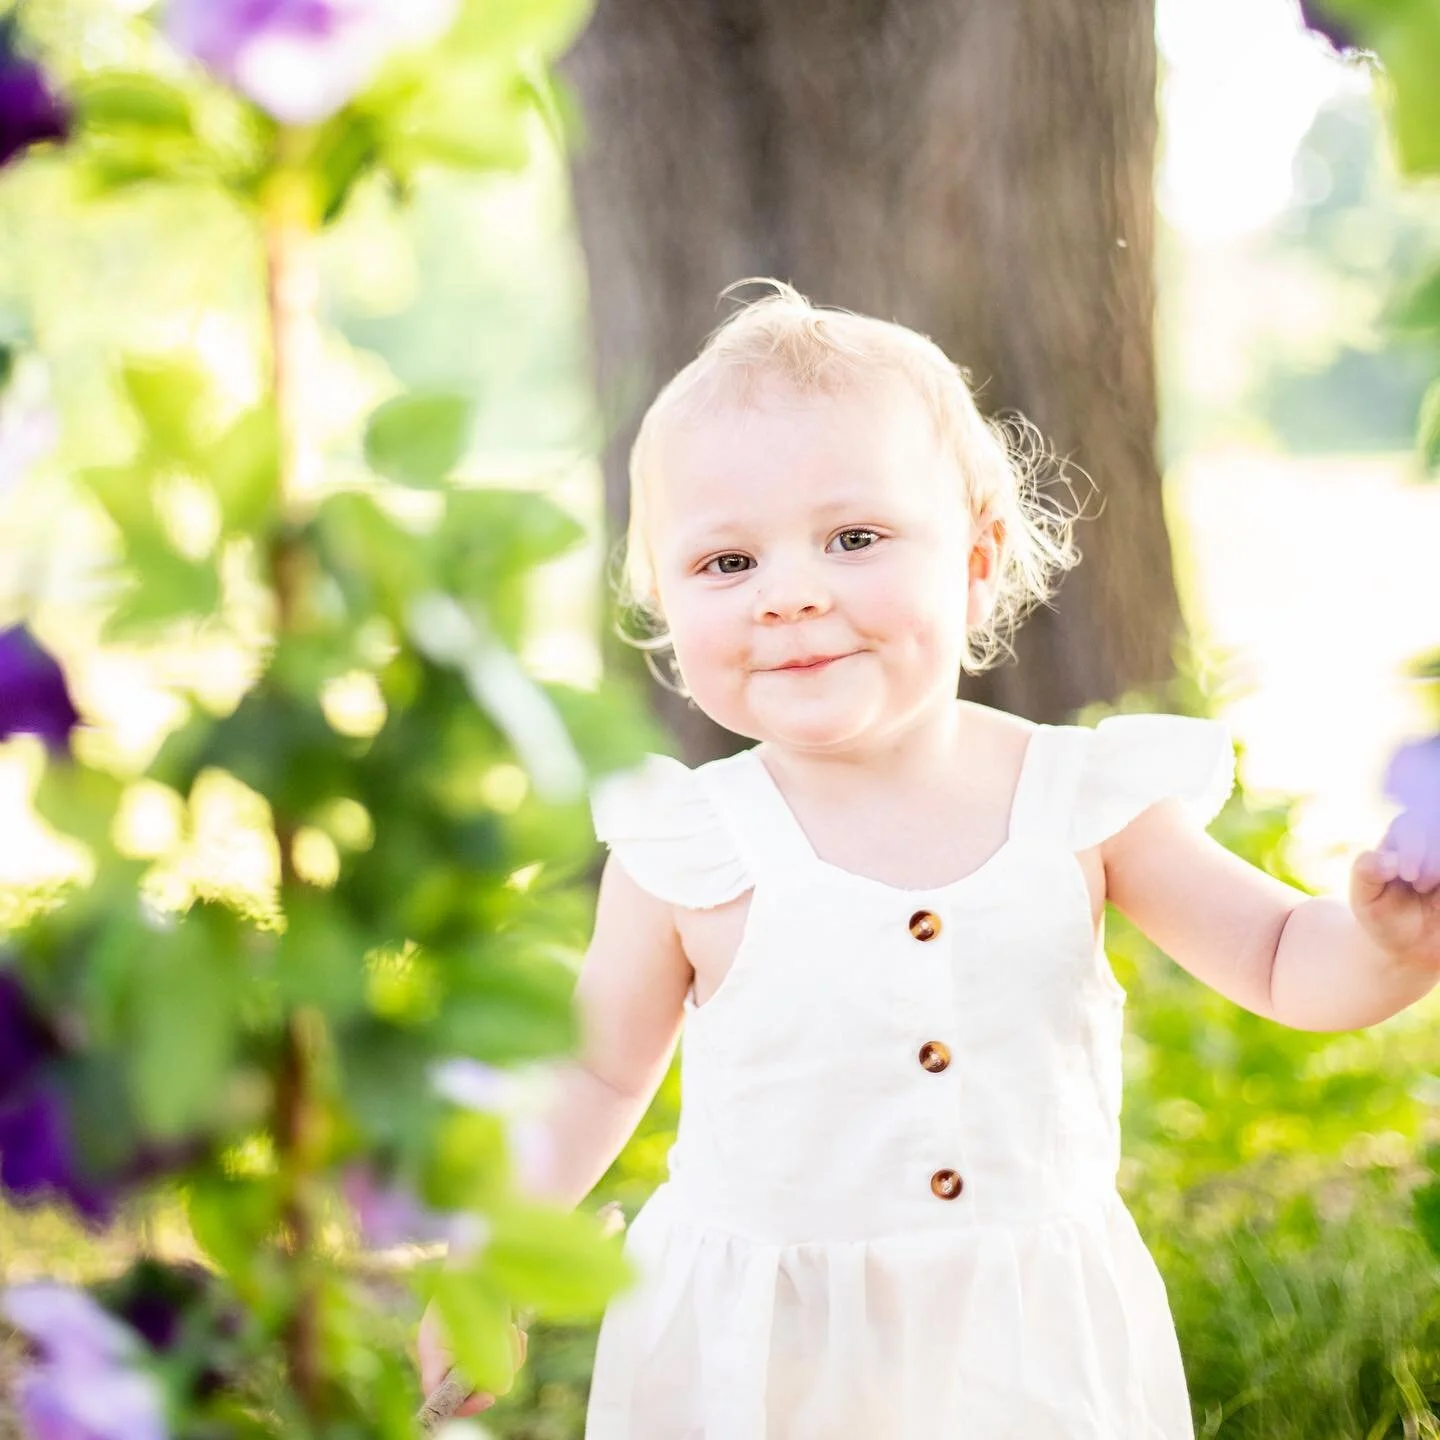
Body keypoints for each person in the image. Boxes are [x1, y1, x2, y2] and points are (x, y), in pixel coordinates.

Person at [417, 279, 1440, 1436]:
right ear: (661, 596)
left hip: (1028, 1347)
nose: (790, 595)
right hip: (763, 1358)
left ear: (978, 557)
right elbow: (596, 1077)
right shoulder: (689, 844)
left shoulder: (1083, 802)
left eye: (854, 539)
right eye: (724, 564)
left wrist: (1383, 946)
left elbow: (1275, 958)